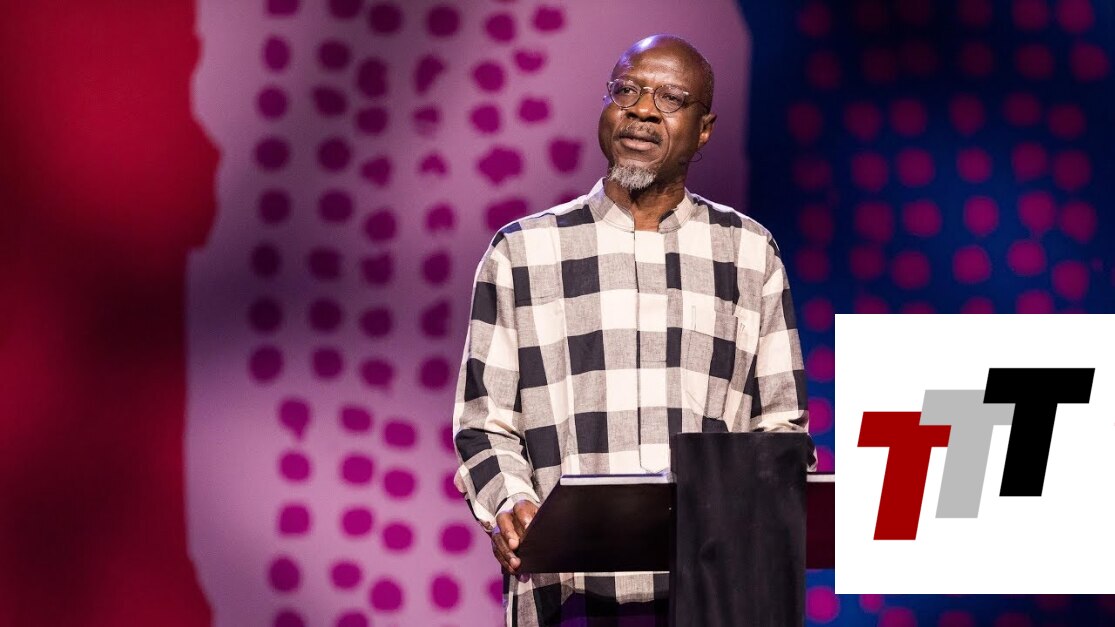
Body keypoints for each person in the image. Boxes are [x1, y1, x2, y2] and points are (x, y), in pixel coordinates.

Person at [452, 34, 811, 626]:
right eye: (627, 90)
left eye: (670, 98)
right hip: (566, 593)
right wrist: (510, 504)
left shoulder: (749, 252)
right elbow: (484, 423)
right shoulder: (522, 251)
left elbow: (779, 427)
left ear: (704, 130)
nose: (642, 109)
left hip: (713, 595)